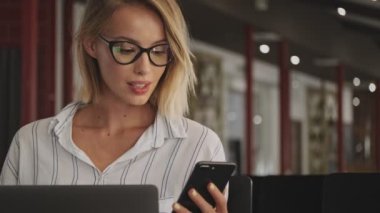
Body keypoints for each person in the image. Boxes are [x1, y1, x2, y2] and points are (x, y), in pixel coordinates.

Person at [0, 0, 228, 212]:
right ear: (91, 44)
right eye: (127, 49)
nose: (144, 68)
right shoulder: (31, 143)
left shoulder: (199, 147)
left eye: (159, 51)